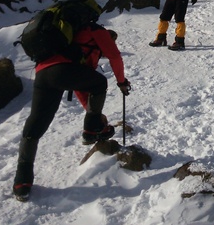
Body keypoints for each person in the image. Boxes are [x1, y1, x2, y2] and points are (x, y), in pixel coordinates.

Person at [12, 22, 131, 201]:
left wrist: (95, 116)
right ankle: (92, 130)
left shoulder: (74, 37)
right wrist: (121, 82)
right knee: (100, 82)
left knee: (35, 125)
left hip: (43, 74)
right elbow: (115, 57)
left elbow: (80, 86)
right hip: (63, 71)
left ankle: (22, 181)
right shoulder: (98, 31)